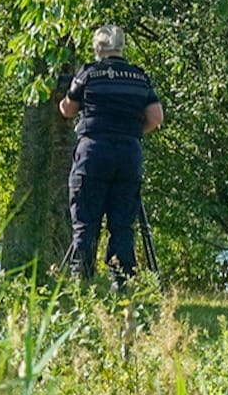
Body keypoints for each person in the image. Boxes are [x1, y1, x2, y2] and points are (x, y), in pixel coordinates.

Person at [59, 24, 164, 286]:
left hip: (93, 153)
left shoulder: (88, 74)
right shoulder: (139, 77)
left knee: (85, 222)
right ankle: (122, 283)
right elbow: (156, 117)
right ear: (122, 47)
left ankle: (81, 282)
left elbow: (68, 110)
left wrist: (64, 95)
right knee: (122, 224)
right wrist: (131, 131)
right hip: (128, 154)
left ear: (98, 49)